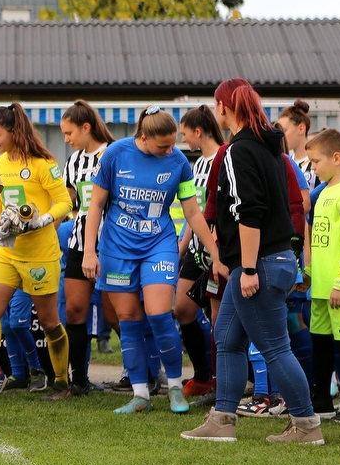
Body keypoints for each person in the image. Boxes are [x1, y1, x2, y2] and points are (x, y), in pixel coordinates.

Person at [182, 79, 323, 444]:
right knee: (226, 337)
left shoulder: (237, 151)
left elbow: (249, 211)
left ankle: (307, 426)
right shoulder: (270, 147)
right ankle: (223, 419)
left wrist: (245, 268)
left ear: (224, 107)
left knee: (275, 347)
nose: (216, 112)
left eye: (217, 105)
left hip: (258, 264)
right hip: (271, 260)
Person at [84, 106, 220, 415]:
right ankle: (140, 394)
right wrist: (90, 251)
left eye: (174, 143)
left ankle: (174, 388)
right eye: (164, 146)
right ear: (143, 137)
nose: (171, 150)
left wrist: (215, 252)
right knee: (129, 321)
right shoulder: (115, 155)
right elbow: (95, 206)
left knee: (160, 314)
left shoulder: (178, 163)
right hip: (117, 248)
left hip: (159, 244)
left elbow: (193, 212)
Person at [0, 103, 73, 400]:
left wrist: (42, 220)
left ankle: (62, 382)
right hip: (7, 254)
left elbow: (64, 202)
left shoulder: (42, 163)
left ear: (13, 131)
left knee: (49, 322)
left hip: (41, 255)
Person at [60, 99, 114, 395]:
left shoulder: (114, 154)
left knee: (118, 314)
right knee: (75, 310)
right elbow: (70, 202)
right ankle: (78, 379)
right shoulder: (74, 161)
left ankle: (144, 375)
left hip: (113, 244)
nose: (66, 140)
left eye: (69, 133)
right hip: (80, 242)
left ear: (86, 127)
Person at [303, 129, 340, 423]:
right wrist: (308, 274)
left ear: (336, 158)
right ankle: (321, 398)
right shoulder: (322, 194)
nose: (313, 167)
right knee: (319, 341)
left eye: (316, 161)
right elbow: (320, 242)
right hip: (320, 287)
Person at [175, 105, 224, 398]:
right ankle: (203, 375)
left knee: (220, 320)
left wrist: (216, 245)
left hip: (218, 252)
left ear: (198, 131)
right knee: (182, 309)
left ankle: (222, 383)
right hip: (196, 251)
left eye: (184, 134)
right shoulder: (195, 166)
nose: (183, 141)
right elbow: (195, 214)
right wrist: (182, 247)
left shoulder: (225, 157)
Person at [277, 100, 319, 187]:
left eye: (284, 131)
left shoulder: (317, 162)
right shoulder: (285, 162)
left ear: (301, 129)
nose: (281, 136)